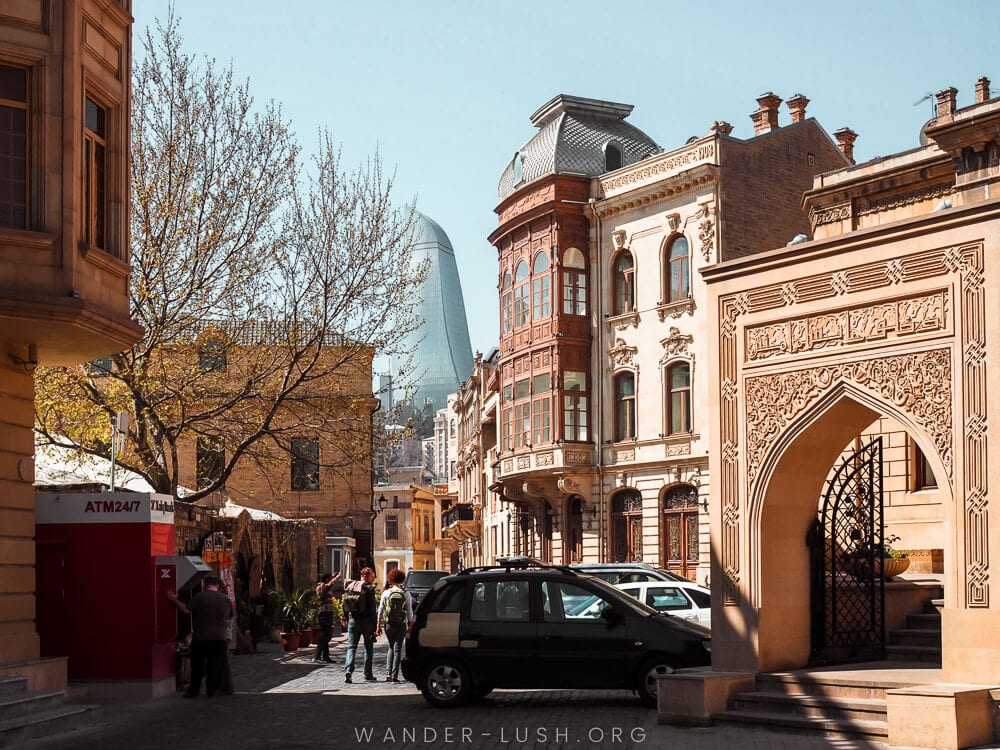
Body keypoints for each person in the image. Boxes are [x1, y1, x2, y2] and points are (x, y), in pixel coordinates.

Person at [167, 575, 234, 698]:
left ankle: (194, 690)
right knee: (214, 664)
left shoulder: (199, 597)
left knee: (197, 664)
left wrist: (174, 600)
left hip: (201, 637)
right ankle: (211, 690)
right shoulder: (225, 599)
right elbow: (230, 615)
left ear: (204, 585)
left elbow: (186, 610)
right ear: (217, 586)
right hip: (219, 637)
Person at [375, 568, 414, 682]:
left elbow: (380, 610)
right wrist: (410, 624)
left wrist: (378, 626)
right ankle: (395, 675)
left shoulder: (386, 593)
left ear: (390, 579)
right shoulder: (406, 593)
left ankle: (388, 674)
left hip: (389, 624)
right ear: (402, 579)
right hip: (401, 624)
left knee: (391, 647)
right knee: (398, 649)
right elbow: (409, 611)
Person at [343, 567, 377, 683]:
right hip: (366, 621)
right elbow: (373, 609)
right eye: (372, 576)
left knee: (351, 647)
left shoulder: (351, 586)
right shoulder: (369, 588)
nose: (373, 578)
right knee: (368, 648)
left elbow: (345, 604)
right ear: (366, 576)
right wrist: (375, 624)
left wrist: (347, 618)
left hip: (353, 620)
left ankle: (348, 670)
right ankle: (368, 674)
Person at [312, 570, 342, 664]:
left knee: (327, 635)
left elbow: (329, 585)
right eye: (329, 578)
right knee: (325, 636)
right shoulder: (321, 587)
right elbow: (329, 585)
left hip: (327, 613)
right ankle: (316, 656)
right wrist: (337, 577)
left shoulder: (324, 587)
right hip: (324, 614)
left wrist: (332, 577)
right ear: (327, 579)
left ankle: (325, 656)